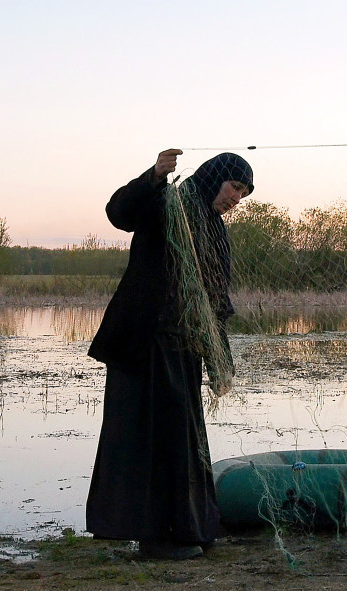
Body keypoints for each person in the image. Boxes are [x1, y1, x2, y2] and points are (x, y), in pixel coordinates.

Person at [86, 149, 254, 560]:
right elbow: (120, 213)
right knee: (146, 439)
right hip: (142, 343)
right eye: (235, 187)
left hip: (181, 347)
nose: (236, 199)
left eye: (243, 195)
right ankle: (155, 538)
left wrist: (221, 361)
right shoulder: (169, 203)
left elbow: (216, 300)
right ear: (216, 177)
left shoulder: (214, 228)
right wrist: (154, 176)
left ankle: (190, 528)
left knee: (182, 438)